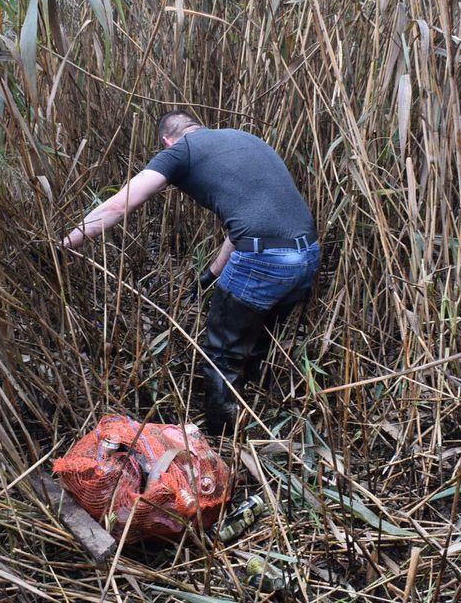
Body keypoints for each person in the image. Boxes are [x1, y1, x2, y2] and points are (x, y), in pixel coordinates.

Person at [61, 110, 320, 433]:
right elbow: (242, 225)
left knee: (221, 353)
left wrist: (64, 243)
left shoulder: (179, 151)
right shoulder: (243, 138)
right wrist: (210, 275)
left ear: (167, 140)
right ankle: (252, 409)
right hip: (306, 254)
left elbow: (118, 205)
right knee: (257, 336)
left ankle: (220, 437)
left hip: (264, 259)